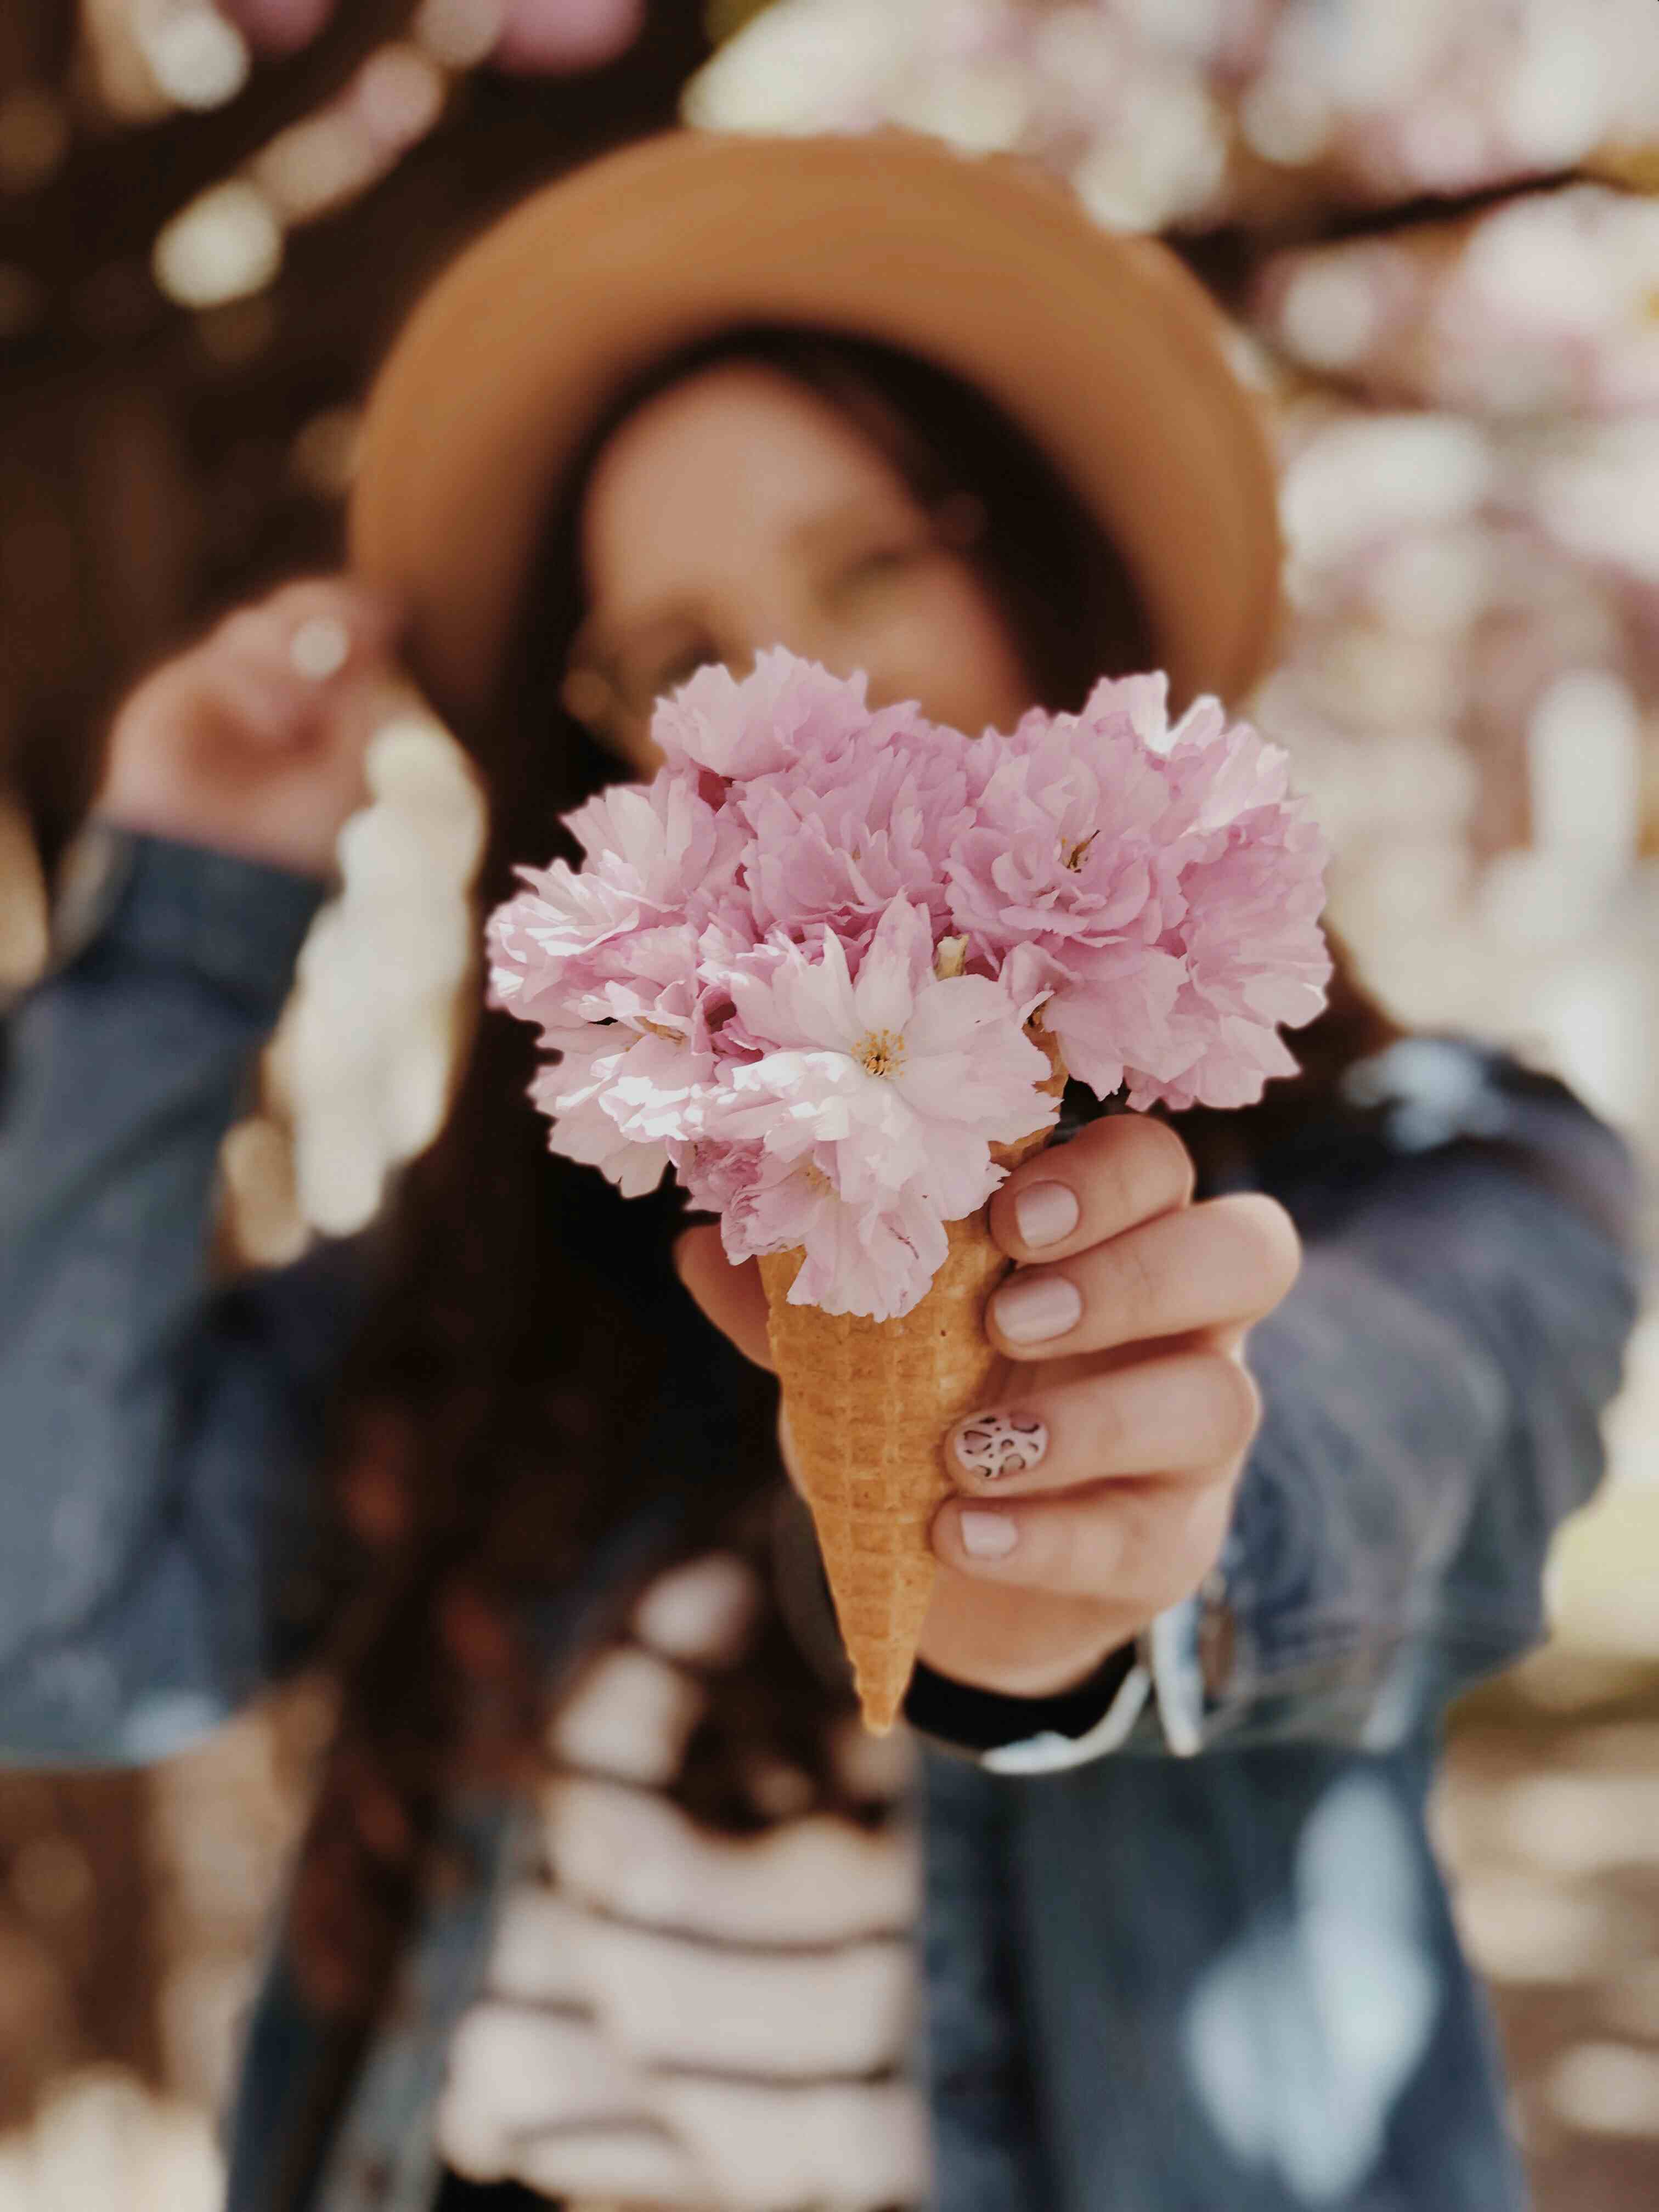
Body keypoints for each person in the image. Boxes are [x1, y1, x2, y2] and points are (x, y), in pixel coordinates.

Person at [0, 129, 1641, 2212]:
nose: (790, 710)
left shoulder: (1451, 1182)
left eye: (864, 566)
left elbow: (1381, 1429)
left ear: (1055, 588)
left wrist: (1083, 1578)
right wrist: (180, 928)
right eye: (669, 654)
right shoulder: (525, 1288)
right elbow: (40, 1626)